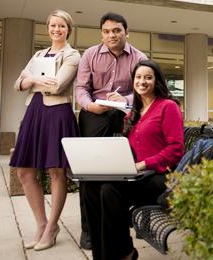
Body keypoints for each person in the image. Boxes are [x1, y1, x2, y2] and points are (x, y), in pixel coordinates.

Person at [84, 60, 185, 260]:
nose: (142, 81)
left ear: (157, 81)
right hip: (137, 175)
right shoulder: (134, 112)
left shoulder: (168, 107)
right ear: (133, 82)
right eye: (138, 77)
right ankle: (104, 254)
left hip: (160, 176)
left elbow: (176, 149)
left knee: (110, 189)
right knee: (90, 186)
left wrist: (143, 164)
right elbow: (128, 148)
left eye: (148, 77)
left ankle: (123, 254)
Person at [74, 12, 147, 250]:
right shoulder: (90, 55)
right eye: (106, 31)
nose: (111, 35)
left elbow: (143, 90)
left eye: (116, 31)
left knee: (125, 166)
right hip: (95, 112)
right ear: (101, 34)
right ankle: (89, 229)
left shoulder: (139, 57)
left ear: (126, 32)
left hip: (125, 113)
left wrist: (124, 98)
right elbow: (81, 88)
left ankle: (126, 220)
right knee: (89, 171)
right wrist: (89, 105)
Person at [9, 9, 80, 251]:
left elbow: (57, 85)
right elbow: (18, 84)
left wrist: (31, 79)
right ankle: (41, 224)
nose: (57, 30)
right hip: (34, 112)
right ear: (47, 28)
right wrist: (29, 81)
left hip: (57, 114)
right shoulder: (39, 53)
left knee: (55, 172)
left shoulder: (73, 56)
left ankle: (51, 227)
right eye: (53, 25)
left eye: (62, 26)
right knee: (24, 171)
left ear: (68, 29)